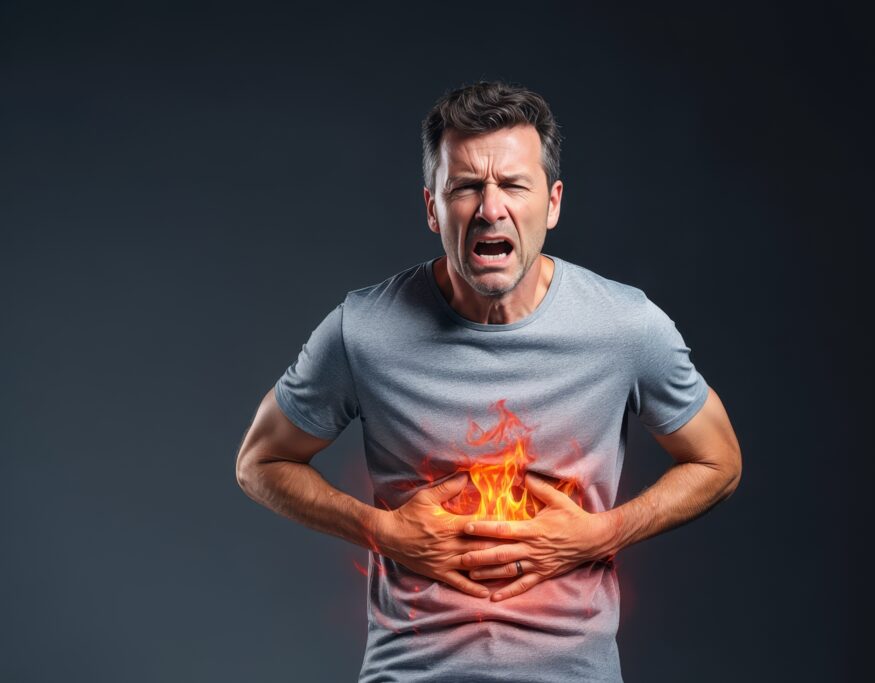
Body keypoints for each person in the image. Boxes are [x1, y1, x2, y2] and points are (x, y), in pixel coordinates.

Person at [235, 80, 742, 682]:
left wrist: (600, 534)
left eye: (513, 185)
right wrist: (384, 531)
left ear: (552, 203)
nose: (490, 208)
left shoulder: (624, 326)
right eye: (466, 187)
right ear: (432, 208)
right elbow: (259, 463)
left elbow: (719, 462)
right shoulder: (363, 329)